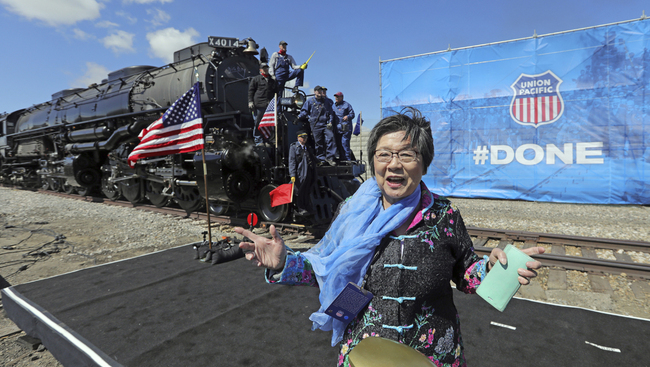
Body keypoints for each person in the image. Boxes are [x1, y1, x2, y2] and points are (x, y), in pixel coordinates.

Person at [234, 107, 544, 366]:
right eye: (384, 154)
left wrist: (491, 270)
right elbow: (326, 268)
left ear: (423, 164)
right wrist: (282, 262)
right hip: (366, 354)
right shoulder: (353, 210)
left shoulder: (444, 215)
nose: (393, 164)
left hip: (431, 355)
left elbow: (466, 274)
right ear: (373, 162)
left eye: (407, 154)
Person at [297, 86, 336, 165]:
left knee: (331, 137)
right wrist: (299, 117)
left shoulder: (326, 102)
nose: (319, 92)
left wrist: (330, 122)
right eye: (318, 91)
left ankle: (330, 158)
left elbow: (330, 113)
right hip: (315, 125)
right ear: (314, 92)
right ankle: (321, 159)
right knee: (318, 142)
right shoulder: (310, 101)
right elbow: (304, 111)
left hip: (325, 124)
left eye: (321, 91)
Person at [288, 130, 317, 217]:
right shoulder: (294, 147)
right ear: (298, 138)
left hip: (309, 172)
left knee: (307, 190)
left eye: (305, 137)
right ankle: (300, 208)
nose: (304, 139)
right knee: (300, 191)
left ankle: (307, 206)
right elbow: (292, 161)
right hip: (300, 174)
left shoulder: (307, 148)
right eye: (302, 137)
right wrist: (292, 174)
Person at [248, 63, 276, 145]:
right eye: (264, 68)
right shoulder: (256, 79)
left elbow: (276, 91)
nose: (266, 69)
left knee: (268, 122)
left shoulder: (271, 80)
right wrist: (250, 101)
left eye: (266, 68)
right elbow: (251, 91)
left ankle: (266, 139)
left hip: (269, 106)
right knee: (258, 122)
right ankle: (258, 140)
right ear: (260, 70)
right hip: (259, 104)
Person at [332, 92, 356, 161]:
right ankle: (341, 159)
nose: (336, 98)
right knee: (338, 144)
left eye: (338, 97)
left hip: (345, 129)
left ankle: (347, 160)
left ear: (342, 97)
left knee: (344, 143)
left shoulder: (346, 105)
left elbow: (352, 114)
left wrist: (347, 116)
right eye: (335, 97)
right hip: (337, 129)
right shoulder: (333, 106)